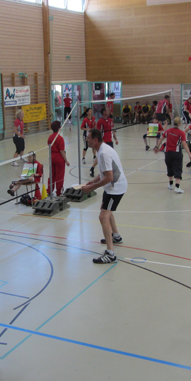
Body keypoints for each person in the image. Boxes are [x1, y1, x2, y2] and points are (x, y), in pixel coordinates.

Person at [82, 129, 127, 264]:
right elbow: (104, 172)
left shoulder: (104, 153)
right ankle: (116, 236)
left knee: (103, 216)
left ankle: (110, 254)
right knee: (106, 211)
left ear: (95, 140)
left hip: (115, 188)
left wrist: (91, 188)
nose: (87, 140)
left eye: (88, 138)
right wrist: (93, 181)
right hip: (111, 187)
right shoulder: (101, 150)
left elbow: (109, 177)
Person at [154, 117, 191, 194]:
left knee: (169, 167)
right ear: (179, 124)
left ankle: (170, 184)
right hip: (176, 153)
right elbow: (184, 144)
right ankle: (177, 187)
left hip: (168, 153)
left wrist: (157, 147)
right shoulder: (181, 133)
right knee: (178, 168)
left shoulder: (168, 131)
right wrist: (190, 154)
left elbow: (161, 139)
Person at [91, 107, 118, 177]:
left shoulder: (110, 120)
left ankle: (110, 171)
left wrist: (116, 139)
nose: (109, 111)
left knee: (110, 156)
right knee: (101, 156)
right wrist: (103, 142)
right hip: (103, 142)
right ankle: (92, 168)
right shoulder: (100, 121)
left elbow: (112, 130)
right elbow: (98, 134)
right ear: (104, 112)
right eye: (108, 110)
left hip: (110, 141)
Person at [47, 120, 70, 196]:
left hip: (52, 156)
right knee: (59, 175)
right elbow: (61, 151)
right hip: (58, 158)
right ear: (59, 128)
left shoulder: (50, 137)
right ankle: (59, 191)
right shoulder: (60, 138)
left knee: (52, 174)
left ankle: (49, 190)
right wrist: (66, 160)